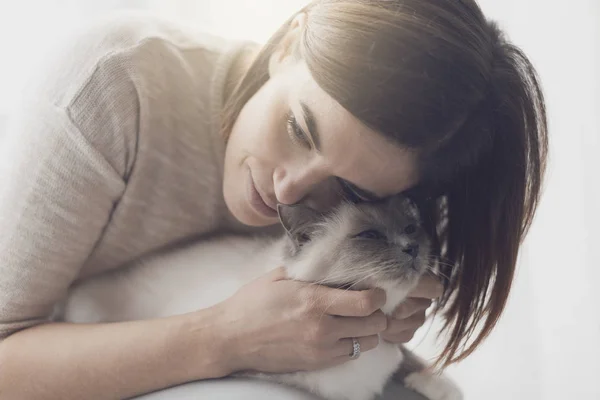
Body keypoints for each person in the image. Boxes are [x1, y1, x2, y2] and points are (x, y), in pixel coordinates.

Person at [0, 0, 547, 399]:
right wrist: (223, 337)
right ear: (288, 44)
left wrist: (376, 330)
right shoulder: (113, 87)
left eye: (353, 189)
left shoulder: (412, 170)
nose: (288, 190)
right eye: (299, 128)